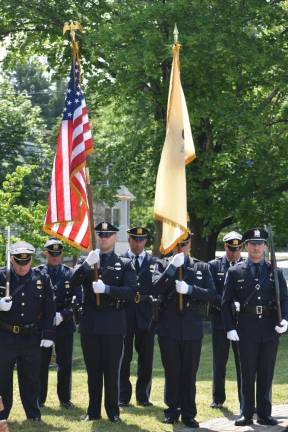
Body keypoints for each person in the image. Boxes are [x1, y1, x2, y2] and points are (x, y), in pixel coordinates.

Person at [71, 222, 137, 423]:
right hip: (90, 323)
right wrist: (85, 265)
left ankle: (113, 411)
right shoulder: (88, 260)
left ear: (115, 238)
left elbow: (131, 291)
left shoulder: (124, 264)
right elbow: (71, 282)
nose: (104, 238)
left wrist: (107, 289)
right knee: (93, 369)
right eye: (101, 235)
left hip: (113, 322)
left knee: (111, 369)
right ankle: (92, 411)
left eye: (108, 235)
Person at [222, 228, 288, 426]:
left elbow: (285, 299)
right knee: (248, 373)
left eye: (260, 244)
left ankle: (265, 413)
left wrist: (285, 318)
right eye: (252, 243)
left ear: (265, 247)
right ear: (246, 246)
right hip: (246, 327)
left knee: (266, 372)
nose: (256, 247)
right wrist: (230, 327)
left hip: (269, 327)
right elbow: (226, 303)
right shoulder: (235, 271)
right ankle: (246, 413)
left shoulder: (274, 271)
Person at [152, 233, 217, 429]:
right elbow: (155, 288)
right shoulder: (162, 265)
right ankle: (172, 411)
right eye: (178, 244)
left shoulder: (201, 267)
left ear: (190, 243)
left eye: (185, 243)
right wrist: (172, 268)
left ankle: (189, 413)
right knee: (172, 371)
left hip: (191, 327)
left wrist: (190, 290)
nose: (182, 247)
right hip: (168, 326)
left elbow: (212, 295)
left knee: (189, 372)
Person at [0, 241, 55, 421]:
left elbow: (49, 308)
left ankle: (33, 414)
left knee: (31, 379)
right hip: (5, 336)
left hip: (31, 336)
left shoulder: (41, 278)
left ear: (31, 260)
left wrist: (48, 334)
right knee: (2, 380)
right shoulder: (2, 276)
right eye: (18, 262)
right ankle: (2, 415)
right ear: (12, 260)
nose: (22, 266)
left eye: (26, 262)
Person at [38, 238, 81, 409]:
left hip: (64, 323)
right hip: (43, 325)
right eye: (51, 253)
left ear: (62, 253)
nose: (55, 257)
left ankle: (64, 399)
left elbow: (78, 300)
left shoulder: (71, 274)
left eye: (58, 253)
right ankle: (39, 399)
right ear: (45, 253)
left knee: (65, 363)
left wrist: (63, 315)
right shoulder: (38, 273)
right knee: (42, 363)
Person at [119, 227, 156, 407]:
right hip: (125, 312)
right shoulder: (120, 261)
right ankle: (123, 395)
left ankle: (143, 395)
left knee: (146, 357)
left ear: (145, 241)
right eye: (134, 239)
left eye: (141, 240)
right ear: (129, 240)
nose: (138, 243)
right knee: (123, 356)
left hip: (146, 313)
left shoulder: (154, 261)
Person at [208, 231, 243, 409]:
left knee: (243, 362)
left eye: (237, 249)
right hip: (220, 319)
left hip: (241, 322)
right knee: (219, 361)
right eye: (231, 248)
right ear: (225, 247)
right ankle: (218, 398)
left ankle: (244, 399)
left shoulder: (246, 266)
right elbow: (212, 293)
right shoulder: (214, 266)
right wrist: (229, 303)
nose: (234, 253)